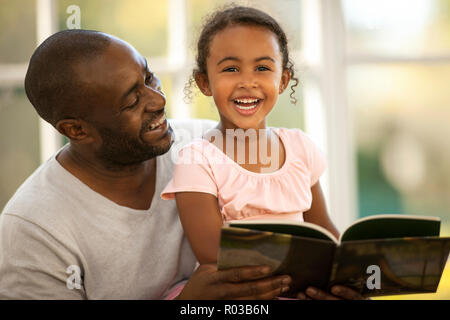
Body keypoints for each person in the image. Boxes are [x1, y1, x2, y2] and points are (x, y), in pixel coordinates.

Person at [0, 29, 363, 301]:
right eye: (131, 101)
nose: (158, 100)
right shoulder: (33, 230)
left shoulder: (208, 146)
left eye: (148, 77)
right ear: (76, 130)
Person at [161, 6, 342, 299]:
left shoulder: (299, 148)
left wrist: (345, 270)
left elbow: (324, 231)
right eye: (231, 69)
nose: (247, 82)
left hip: (297, 289)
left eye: (262, 68)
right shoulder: (197, 159)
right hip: (237, 292)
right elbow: (214, 256)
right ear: (204, 82)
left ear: (283, 80)